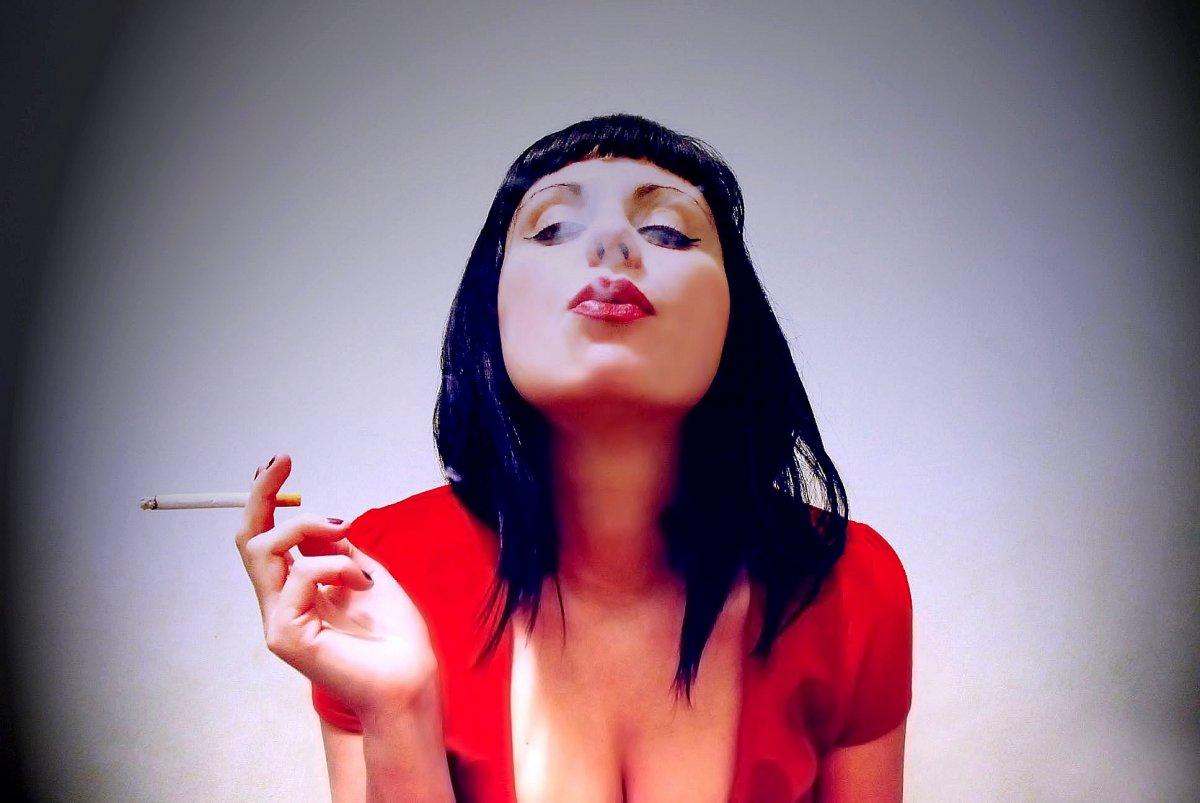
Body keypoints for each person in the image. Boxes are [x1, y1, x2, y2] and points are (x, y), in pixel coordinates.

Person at [235, 113, 913, 802]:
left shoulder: (848, 584)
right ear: (491, 307)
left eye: (668, 231)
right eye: (554, 227)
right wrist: (396, 707)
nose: (612, 243)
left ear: (733, 316)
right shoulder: (377, 574)